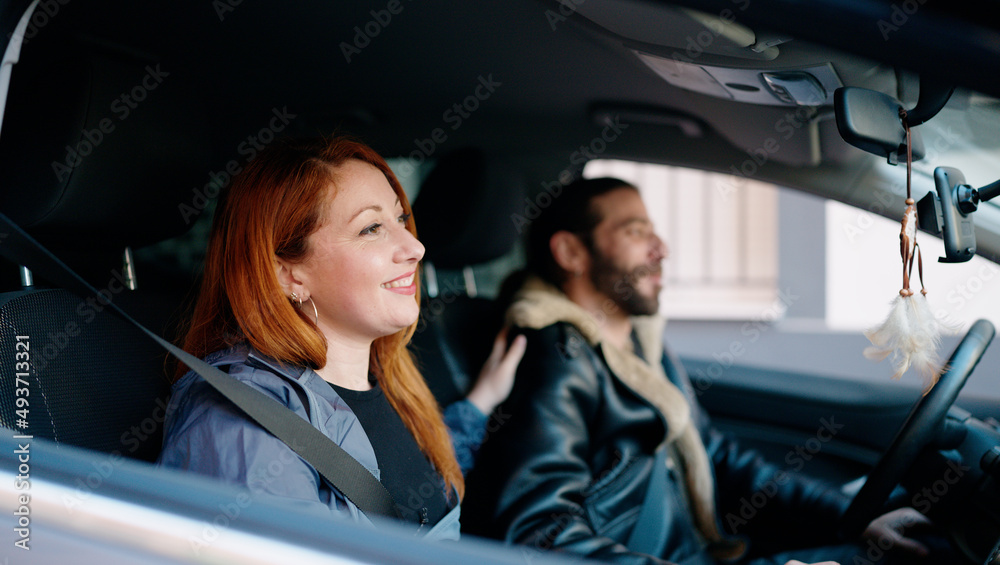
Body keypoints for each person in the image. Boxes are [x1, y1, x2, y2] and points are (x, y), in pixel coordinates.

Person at [465, 177, 934, 563]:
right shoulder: (556, 357)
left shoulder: (638, 341)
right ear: (571, 253)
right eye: (634, 231)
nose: (661, 248)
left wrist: (853, 518)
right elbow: (538, 532)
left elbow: (716, 458)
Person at [157, 136, 525, 540]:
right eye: (371, 228)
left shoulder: (389, 379)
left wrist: (481, 402)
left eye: (401, 220)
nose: (415, 246)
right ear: (288, 275)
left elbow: (407, 485)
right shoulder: (242, 420)